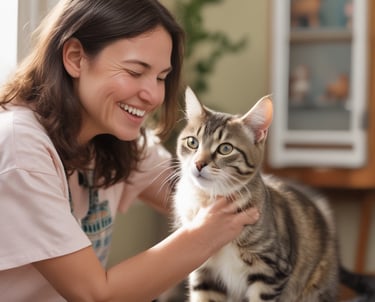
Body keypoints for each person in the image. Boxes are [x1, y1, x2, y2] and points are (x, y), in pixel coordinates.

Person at [0, 0, 259, 301]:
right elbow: (94, 294)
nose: (152, 96)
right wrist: (205, 234)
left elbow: (195, 192)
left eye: (161, 78)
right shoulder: (20, 148)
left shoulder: (118, 139)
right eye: (135, 72)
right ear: (75, 58)